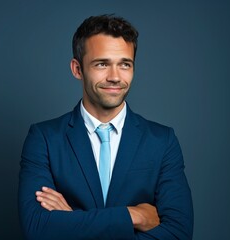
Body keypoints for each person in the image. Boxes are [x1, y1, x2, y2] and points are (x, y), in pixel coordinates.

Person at [18, 14, 193, 240]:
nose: (115, 77)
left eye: (125, 64)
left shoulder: (162, 141)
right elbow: (38, 228)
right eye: (102, 64)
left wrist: (72, 221)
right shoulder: (44, 138)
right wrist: (132, 216)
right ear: (77, 69)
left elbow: (178, 234)